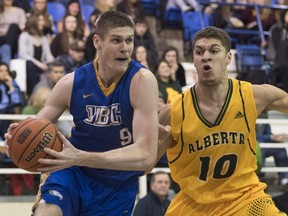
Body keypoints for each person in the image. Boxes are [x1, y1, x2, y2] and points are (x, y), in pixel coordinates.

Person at [4, 10, 158, 216]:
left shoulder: (141, 81)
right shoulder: (71, 82)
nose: (125, 48)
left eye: (129, 40)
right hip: (72, 172)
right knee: (46, 213)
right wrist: (16, 138)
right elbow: (37, 126)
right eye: (116, 40)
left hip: (116, 184)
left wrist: (80, 157)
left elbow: (146, 156)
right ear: (97, 41)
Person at [157, 26, 288, 215]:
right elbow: (142, 166)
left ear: (228, 58)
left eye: (214, 50)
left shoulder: (252, 96)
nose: (206, 56)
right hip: (194, 204)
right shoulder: (174, 111)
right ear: (193, 60)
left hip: (245, 199)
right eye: (199, 51)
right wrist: (157, 148)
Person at [18, 13, 55, 96]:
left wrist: (52, 61)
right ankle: (33, 94)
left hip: (41, 65)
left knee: (55, 65)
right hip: (30, 66)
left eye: (43, 20)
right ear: (33, 22)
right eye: (39, 20)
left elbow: (48, 54)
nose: (42, 23)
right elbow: (23, 55)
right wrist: (39, 64)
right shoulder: (24, 36)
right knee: (29, 64)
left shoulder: (43, 37)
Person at [256, 112, 288, 192]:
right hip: (253, 145)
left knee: (280, 148)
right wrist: (271, 137)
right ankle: (260, 178)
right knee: (260, 149)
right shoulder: (248, 112)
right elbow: (249, 134)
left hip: (262, 143)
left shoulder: (264, 114)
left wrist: (278, 137)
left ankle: (285, 180)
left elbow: (268, 133)